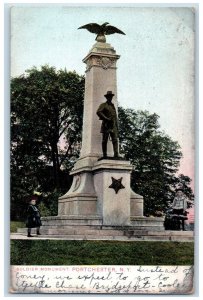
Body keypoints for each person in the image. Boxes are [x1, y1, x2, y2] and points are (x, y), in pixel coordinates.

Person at [96, 91, 119, 159]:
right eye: (109, 97)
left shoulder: (113, 106)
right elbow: (98, 112)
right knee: (105, 140)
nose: (110, 98)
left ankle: (116, 154)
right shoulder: (104, 105)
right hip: (106, 125)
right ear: (107, 97)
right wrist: (106, 118)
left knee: (115, 140)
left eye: (111, 96)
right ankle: (104, 155)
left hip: (113, 125)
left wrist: (117, 127)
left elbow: (115, 117)